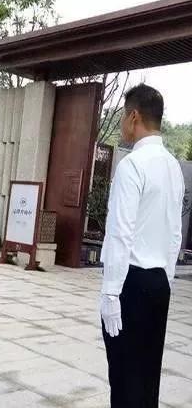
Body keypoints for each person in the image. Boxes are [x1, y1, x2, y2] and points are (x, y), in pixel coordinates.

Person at [100, 84, 184, 407]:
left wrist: (111, 293)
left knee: (124, 378)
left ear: (134, 116)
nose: (123, 122)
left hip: (130, 283)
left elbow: (121, 233)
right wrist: (166, 278)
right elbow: (175, 233)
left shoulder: (132, 165)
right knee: (147, 377)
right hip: (159, 282)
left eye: (124, 115)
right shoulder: (173, 167)